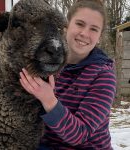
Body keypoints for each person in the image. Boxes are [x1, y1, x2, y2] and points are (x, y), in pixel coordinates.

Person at [19, 0, 116, 149]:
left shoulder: (103, 76)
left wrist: (49, 100)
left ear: (99, 37)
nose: (84, 34)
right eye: (80, 24)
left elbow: (80, 134)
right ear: (66, 26)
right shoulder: (43, 62)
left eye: (94, 29)